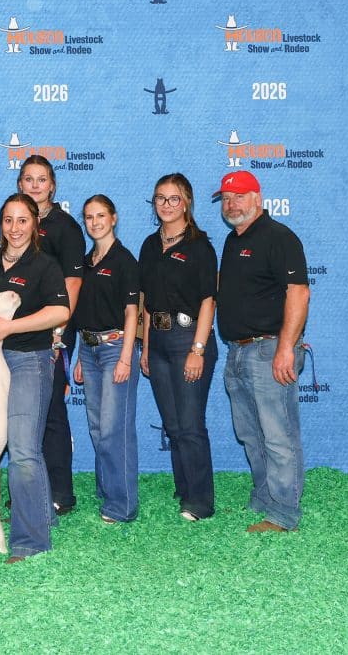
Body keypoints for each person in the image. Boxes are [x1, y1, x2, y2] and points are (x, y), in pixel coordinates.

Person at [0, 193, 69, 562]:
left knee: (22, 450)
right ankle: (41, 517)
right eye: (8, 220)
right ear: (1, 223)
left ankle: (30, 540)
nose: (15, 228)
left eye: (23, 220)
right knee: (16, 448)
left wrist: (10, 327)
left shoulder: (46, 265)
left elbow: (59, 311)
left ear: (35, 224)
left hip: (29, 360)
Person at [214, 170, 309, 533]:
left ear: (258, 198)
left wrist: (286, 348)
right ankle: (266, 498)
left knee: (278, 435)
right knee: (251, 433)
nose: (231, 203)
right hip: (237, 351)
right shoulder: (232, 240)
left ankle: (284, 514)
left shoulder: (279, 237)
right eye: (225, 198)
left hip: (269, 349)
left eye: (239, 196)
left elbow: (299, 294)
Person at [138, 173, 217, 521]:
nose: (166, 205)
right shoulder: (149, 246)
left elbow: (208, 301)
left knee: (189, 423)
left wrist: (198, 349)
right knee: (172, 424)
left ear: (186, 202)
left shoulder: (200, 246)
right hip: (157, 341)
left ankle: (201, 501)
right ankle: (185, 487)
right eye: (160, 198)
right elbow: (144, 300)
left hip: (189, 339)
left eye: (173, 199)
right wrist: (143, 346)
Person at [17, 155, 84, 515]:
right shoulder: (16, 224)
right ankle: (28, 491)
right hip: (21, 335)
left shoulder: (65, 227)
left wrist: (58, 333)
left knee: (53, 412)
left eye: (41, 179)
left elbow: (73, 282)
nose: (35, 185)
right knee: (26, 413)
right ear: (20, 185)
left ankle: (61, 492)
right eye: (28, 179)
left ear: (52, 185)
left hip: (52, 334)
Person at [73, 195, 141, 524]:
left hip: (116, 348)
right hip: (88, 348)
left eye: (101, 215)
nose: (95, 222)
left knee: (116, 429)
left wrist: (126, 357)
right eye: (89, 217)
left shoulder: (125, 260)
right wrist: (78, 358)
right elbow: (84, 313)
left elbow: (132, 312)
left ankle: (122, 505)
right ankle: (108, 490)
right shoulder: (86, 262)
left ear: (113, 218)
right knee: (98, 427)